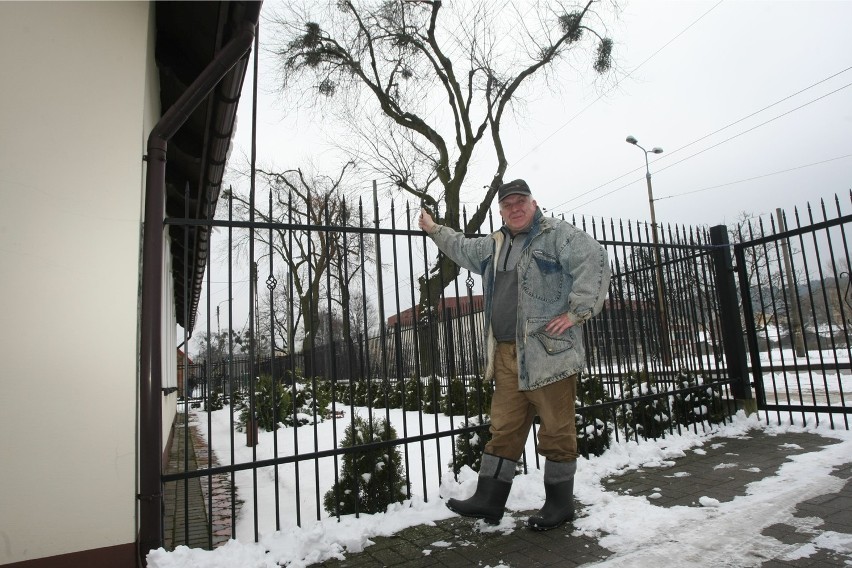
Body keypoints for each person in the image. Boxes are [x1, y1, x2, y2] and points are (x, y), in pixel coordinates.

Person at [418, 179, 611, 530]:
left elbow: (594, 259)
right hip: (506, 355)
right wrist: (433, 229)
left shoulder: (557, 235)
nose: (515, 208)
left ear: (534, 204)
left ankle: (559, 504)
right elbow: (462, 246)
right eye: (508, 205)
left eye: (521, 201)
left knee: (556, 430)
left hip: (549, 354)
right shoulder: (495, 244)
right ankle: (489, 500)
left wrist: (576, 312)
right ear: (502, 211)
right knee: (504, 427)